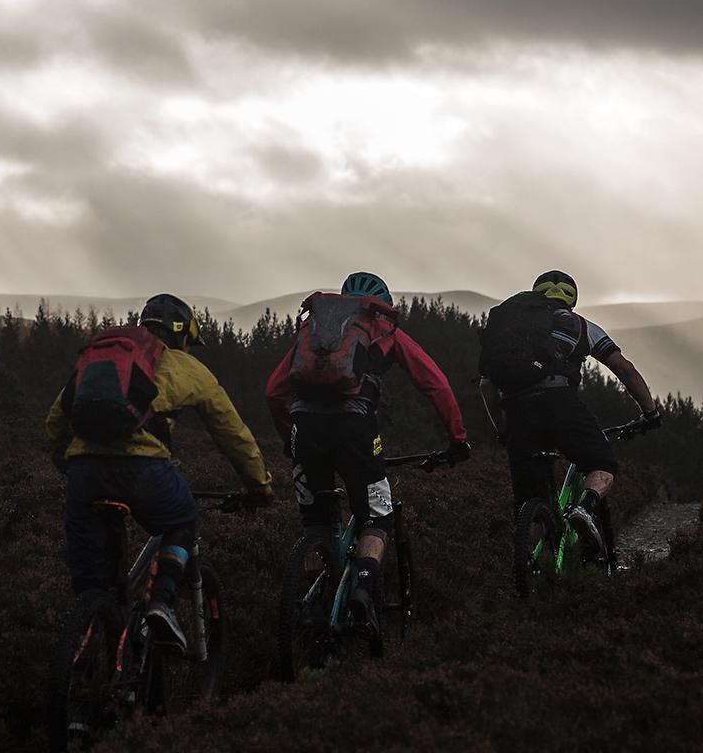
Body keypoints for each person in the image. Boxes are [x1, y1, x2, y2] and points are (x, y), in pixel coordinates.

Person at [44, 293, 275, 652]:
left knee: (93, 589)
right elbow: (232, 435)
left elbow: (55, 423)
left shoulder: (103, 361)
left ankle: (87, 653)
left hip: (84, 474)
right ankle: (162, 602)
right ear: (182, 337)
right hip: (142, 471)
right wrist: (259, 486)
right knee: (182, 520)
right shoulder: (187, 367)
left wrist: (70, 466)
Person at [264, 272, 471, 634]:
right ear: (382, 303)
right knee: (377, 517)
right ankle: (362, 586)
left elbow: (273, 392)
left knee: (316, 524)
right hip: (355, 431)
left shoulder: (314, 331)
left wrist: (289, 439)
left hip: (304, 431)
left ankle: (313, 607)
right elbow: (434, 382)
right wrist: (457, 437)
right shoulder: (384, 328)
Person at [478, 270, 661, 554]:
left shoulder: (513, 329)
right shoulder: (581, 326)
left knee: (530, 501)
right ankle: (585, 509)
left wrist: (503, 429)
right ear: (572, 298)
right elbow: (625, 370)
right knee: (603, 465)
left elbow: (487, 385)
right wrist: (650, 411)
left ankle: (531, 574)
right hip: (560, 405)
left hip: (518, 413)